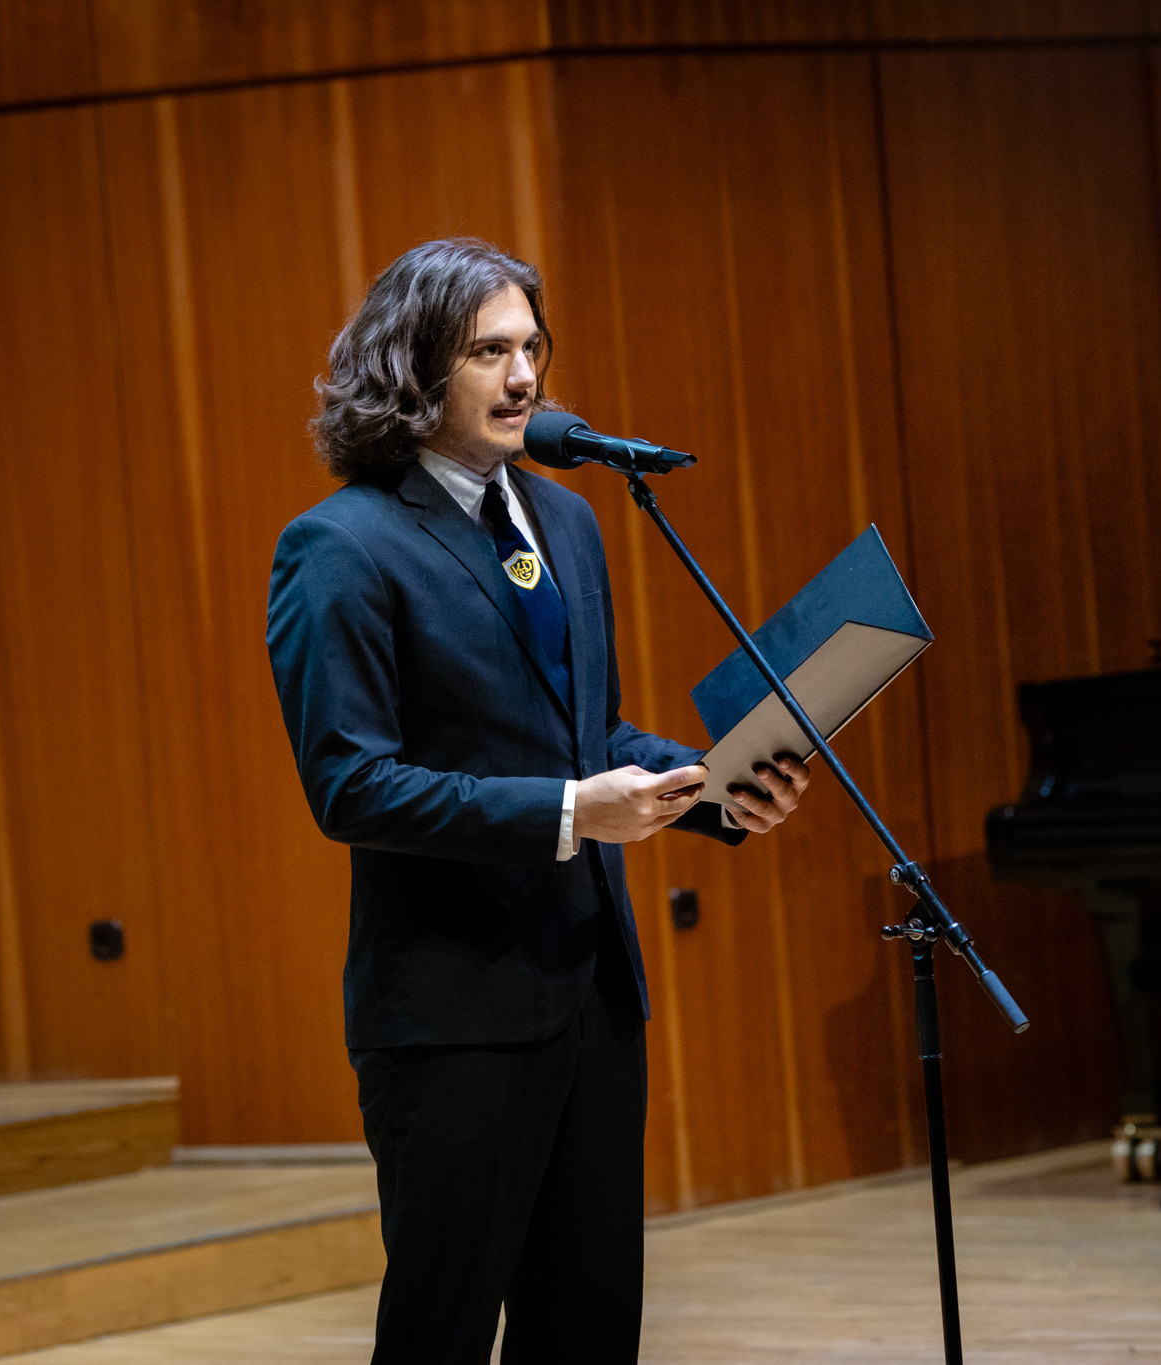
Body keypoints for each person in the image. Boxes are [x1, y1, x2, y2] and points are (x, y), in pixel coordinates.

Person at [266, 237, 810, 1363]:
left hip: (592, 995)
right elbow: (351, 785)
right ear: (414, 369)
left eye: (531, 347)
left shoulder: (566, 519)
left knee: (588, 1332)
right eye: (487, 352)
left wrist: (714, 788)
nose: (523, 378)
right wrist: (570, 813)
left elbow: (588, 731)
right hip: (454, 1013)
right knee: (442, 1335)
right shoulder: (340, 547)